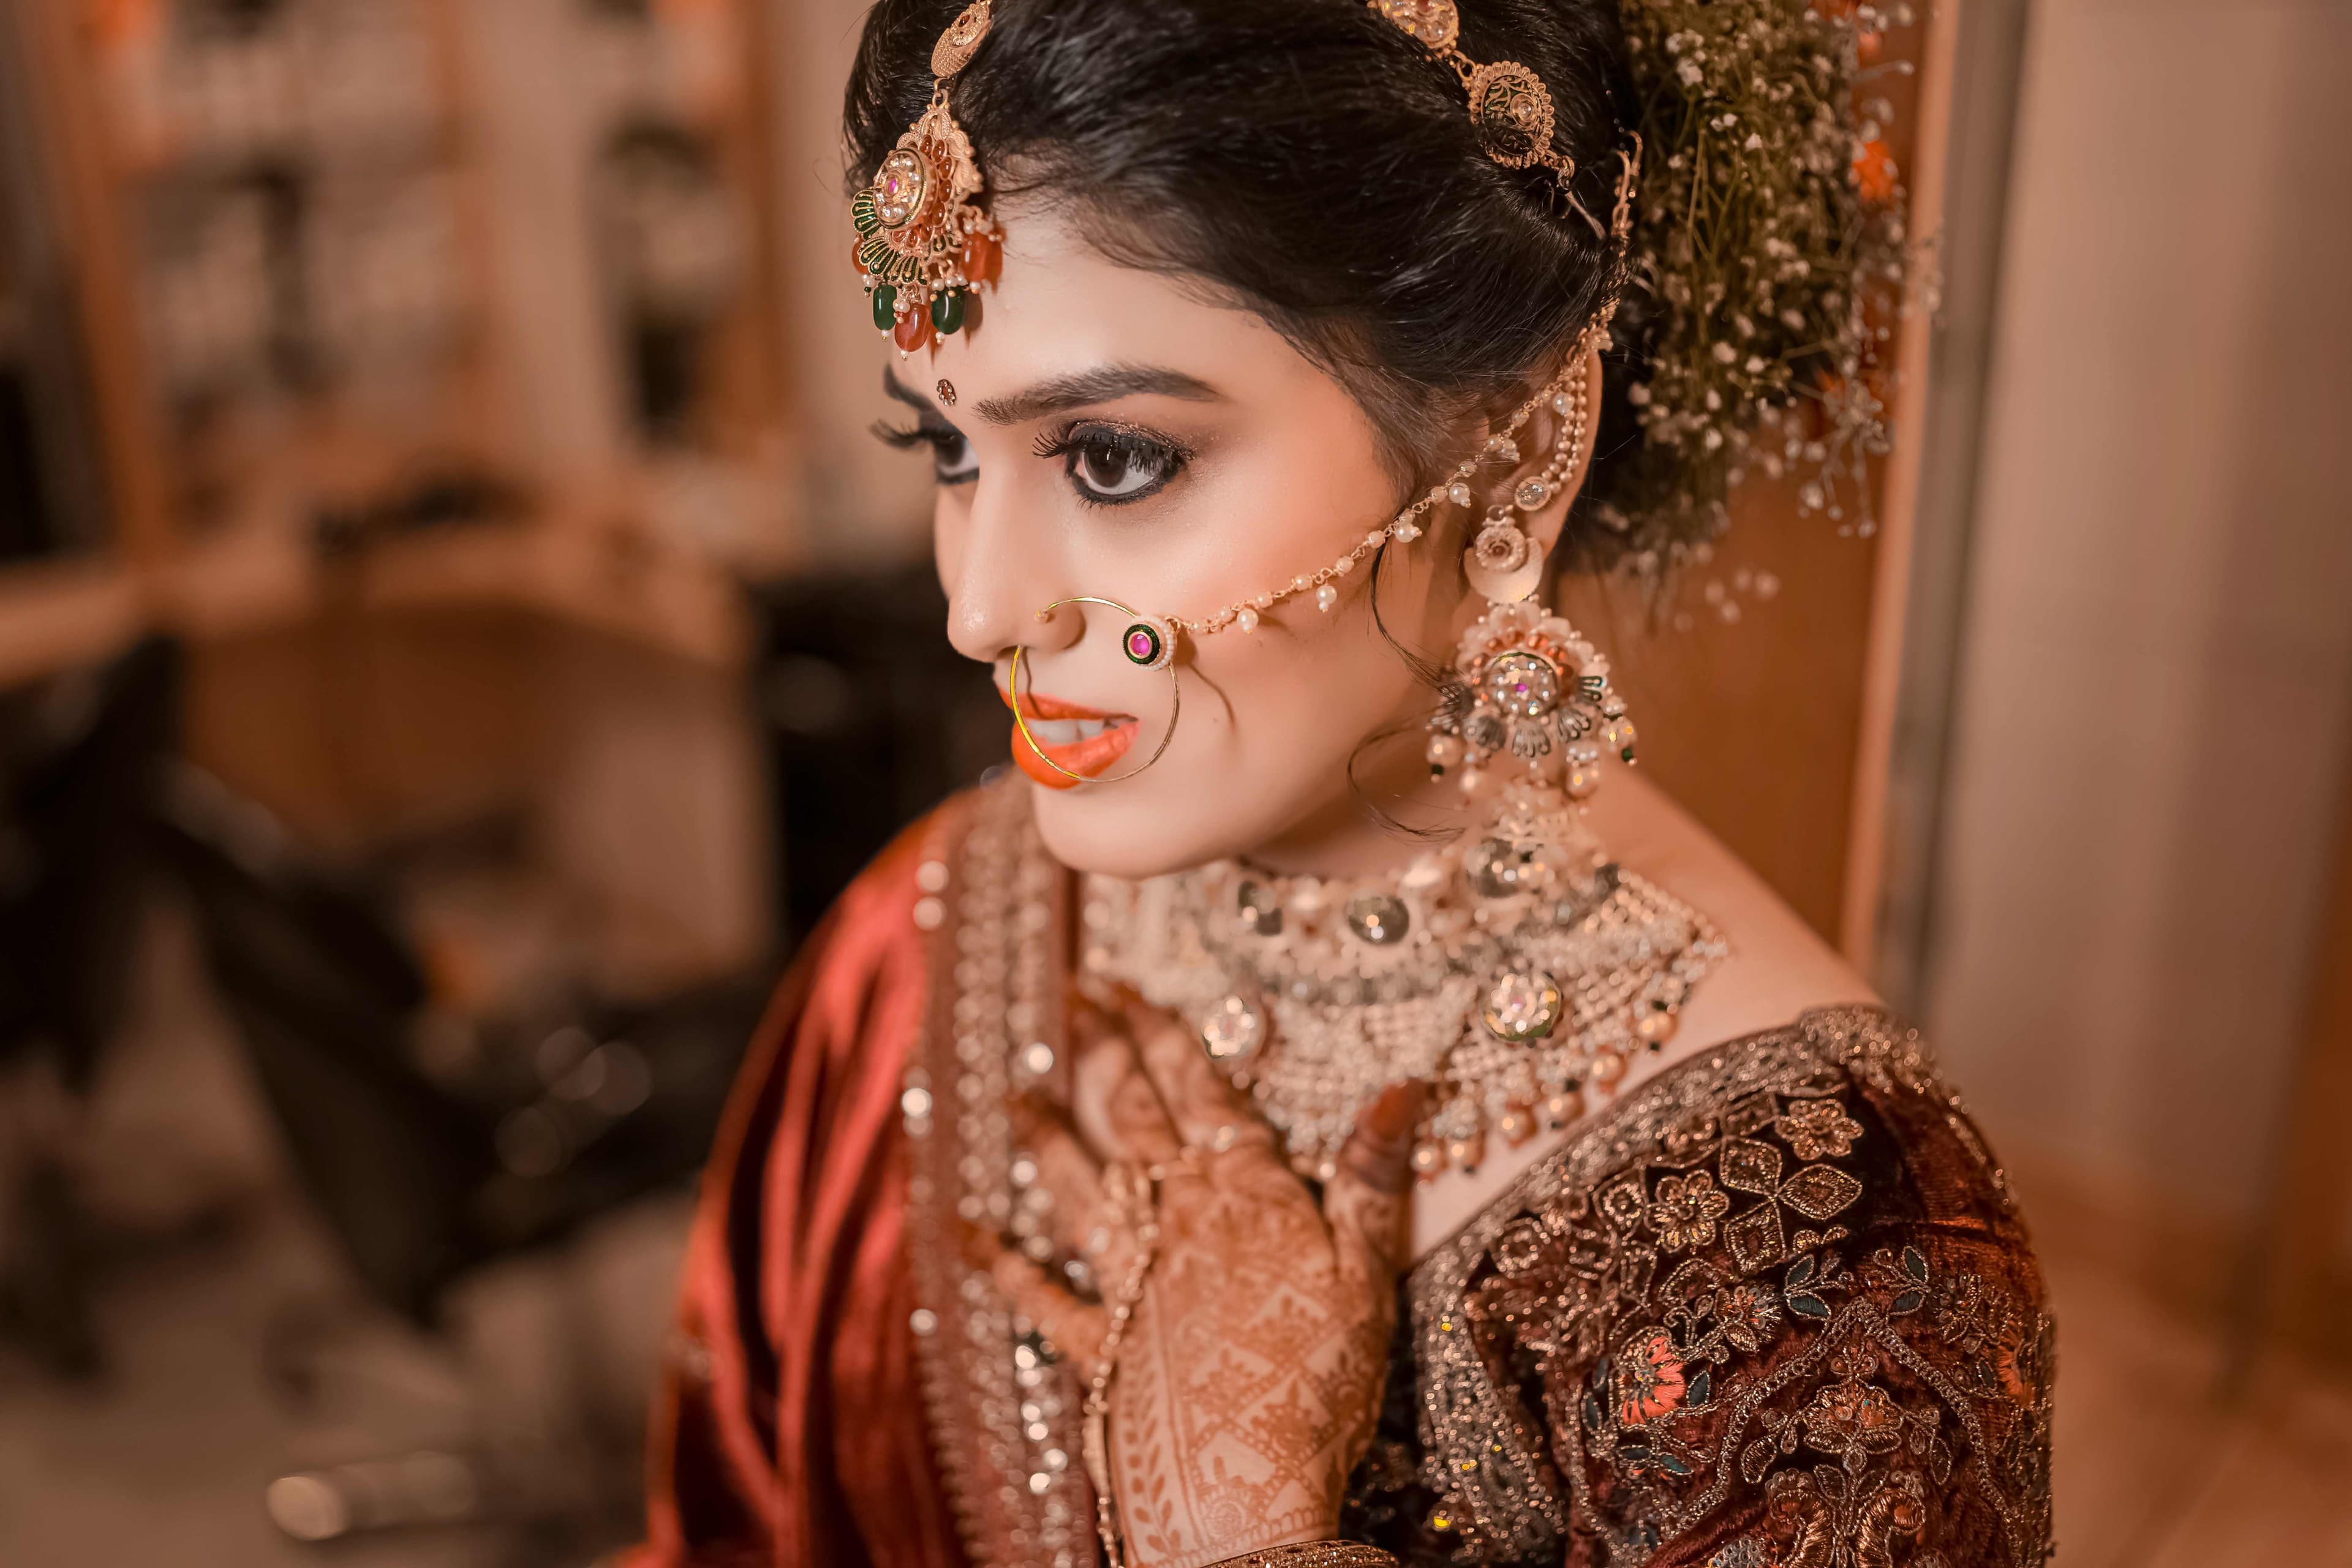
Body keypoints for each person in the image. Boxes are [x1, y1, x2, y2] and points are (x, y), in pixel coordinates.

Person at [630, 2, 2054, 1565]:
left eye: (1112, 457)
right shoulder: (920, 945)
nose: (978, 608)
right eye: (947, 449)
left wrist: (1237, 1530)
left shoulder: (1822, 1263)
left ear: (1511, 452)